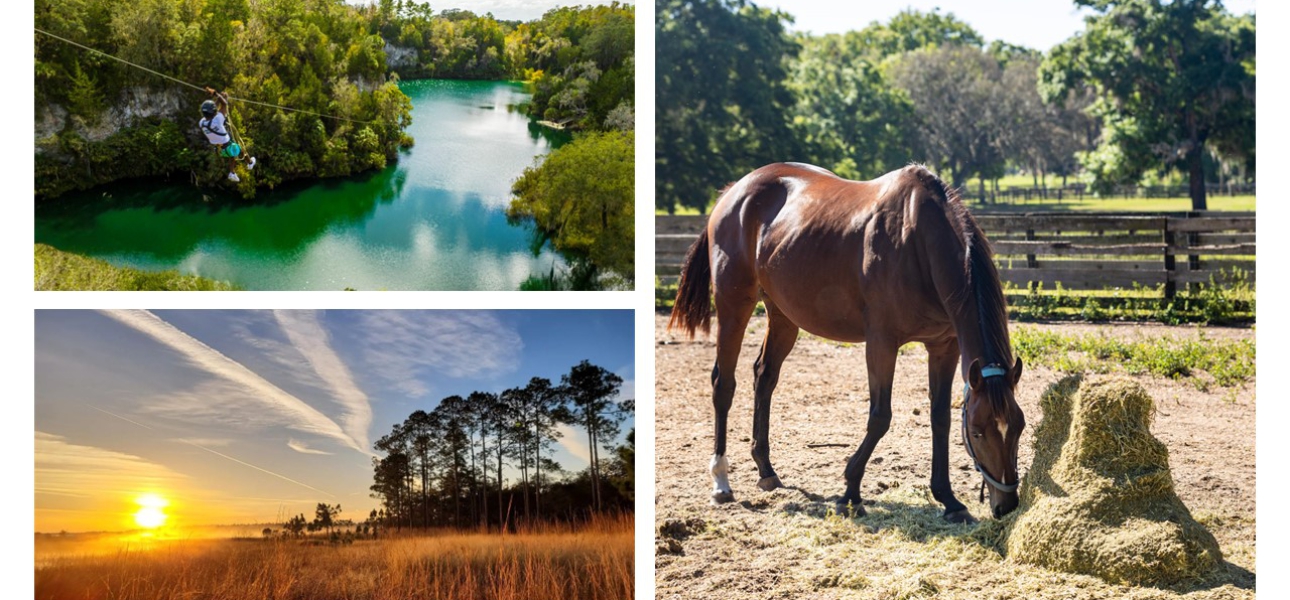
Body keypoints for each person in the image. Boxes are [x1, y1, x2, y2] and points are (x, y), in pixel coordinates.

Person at [199, 87, 256, 182]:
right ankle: (245, 165)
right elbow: (224, 104)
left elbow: (214, 109)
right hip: (226, 144)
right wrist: (217, 94)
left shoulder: (202, 123)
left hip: (218, 147)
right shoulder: (217, 120)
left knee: (235, 152)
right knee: (239, 149)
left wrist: (218, 98)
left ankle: (243, 166)